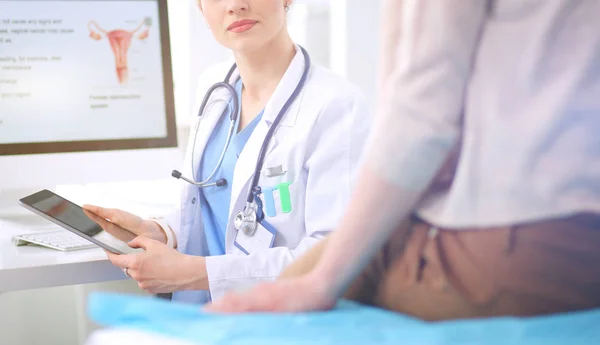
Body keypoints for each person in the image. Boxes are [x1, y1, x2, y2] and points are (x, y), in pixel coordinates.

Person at [205, 0, 600, 319]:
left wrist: (321, 284)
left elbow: (421, 118)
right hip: (568, 226)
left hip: (521, 240)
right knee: (299, 280)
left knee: (287, 304)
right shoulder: (217, 96)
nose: (236, 5)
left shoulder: (334, 103)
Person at [82, 0, 371, 304]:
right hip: (194, 311)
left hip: (273, 319)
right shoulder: (215, 87)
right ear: (200, 9)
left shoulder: (337, 107)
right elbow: (210, 207)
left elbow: (333, 258)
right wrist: (159, 231)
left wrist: (196, 272)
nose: (235, 5)